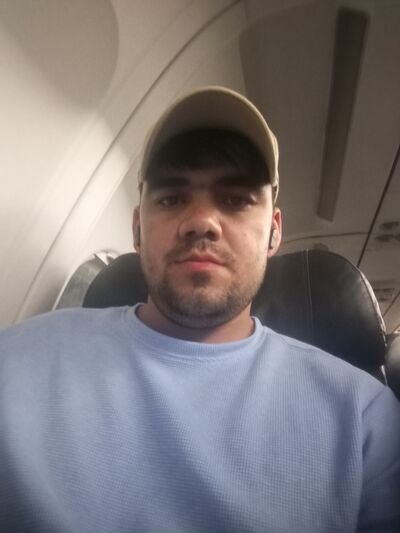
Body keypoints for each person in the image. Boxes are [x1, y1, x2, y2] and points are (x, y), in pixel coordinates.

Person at [0, 86, 399, 533]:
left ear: (273, 232)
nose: (201, 222)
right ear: (137, 229)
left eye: (236, 199)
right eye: (171, 198)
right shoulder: (14, 366)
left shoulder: (363, 419)